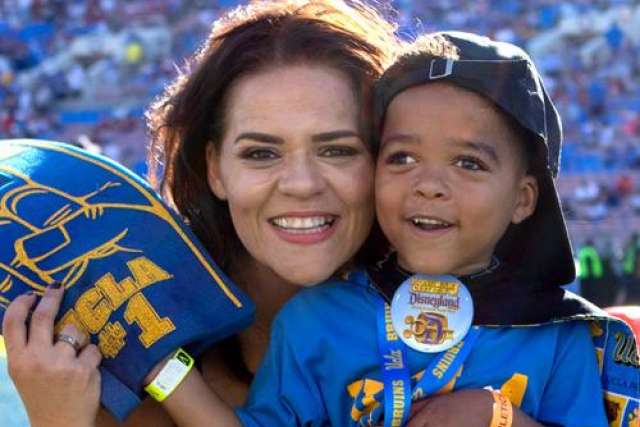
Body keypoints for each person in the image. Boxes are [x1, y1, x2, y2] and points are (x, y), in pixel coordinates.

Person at [150, 32, 623, 426]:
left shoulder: (563, 337)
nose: (430, 185)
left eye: (468, 162)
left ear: (523, 199)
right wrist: (157, 363)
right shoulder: (312, 321)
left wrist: (497, 414)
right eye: (402, 157)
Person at [1, 1, 400, 426]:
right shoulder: (116, 362)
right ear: (214, 169)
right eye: (261, 153)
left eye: (337, 150)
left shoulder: (452, 325)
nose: (301, 183)